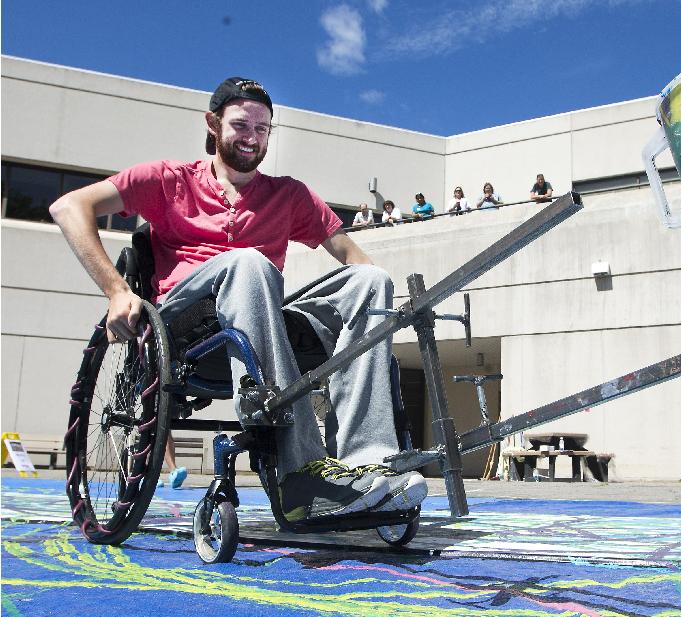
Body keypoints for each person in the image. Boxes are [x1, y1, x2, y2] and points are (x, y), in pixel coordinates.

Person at [49, 76, 426, 523]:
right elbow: (68, 207)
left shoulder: (289, 194)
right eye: (241, 125)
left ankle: (370, 460)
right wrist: (117, 291)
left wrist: (385, 316)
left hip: (260, 317)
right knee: (247, 262)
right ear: (212, 124)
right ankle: (300, 470)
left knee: (370, 280)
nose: (252, 138)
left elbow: (353, 258)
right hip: (186, 327)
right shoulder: (167, 179)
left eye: (262, 129)